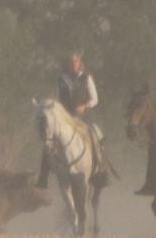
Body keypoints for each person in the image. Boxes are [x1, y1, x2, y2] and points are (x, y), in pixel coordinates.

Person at [39, 51, 109, 187]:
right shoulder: (62, 79)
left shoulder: (86, 77)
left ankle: (101, 168)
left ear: (79, 63)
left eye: (75, 62)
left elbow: (95, 98)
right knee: (48, 140)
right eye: (71, 62)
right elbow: (57, 99)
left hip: (84, 116)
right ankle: (43, 177)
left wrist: (85, 106)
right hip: (66, 118)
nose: (73, 65)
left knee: (96, 135)